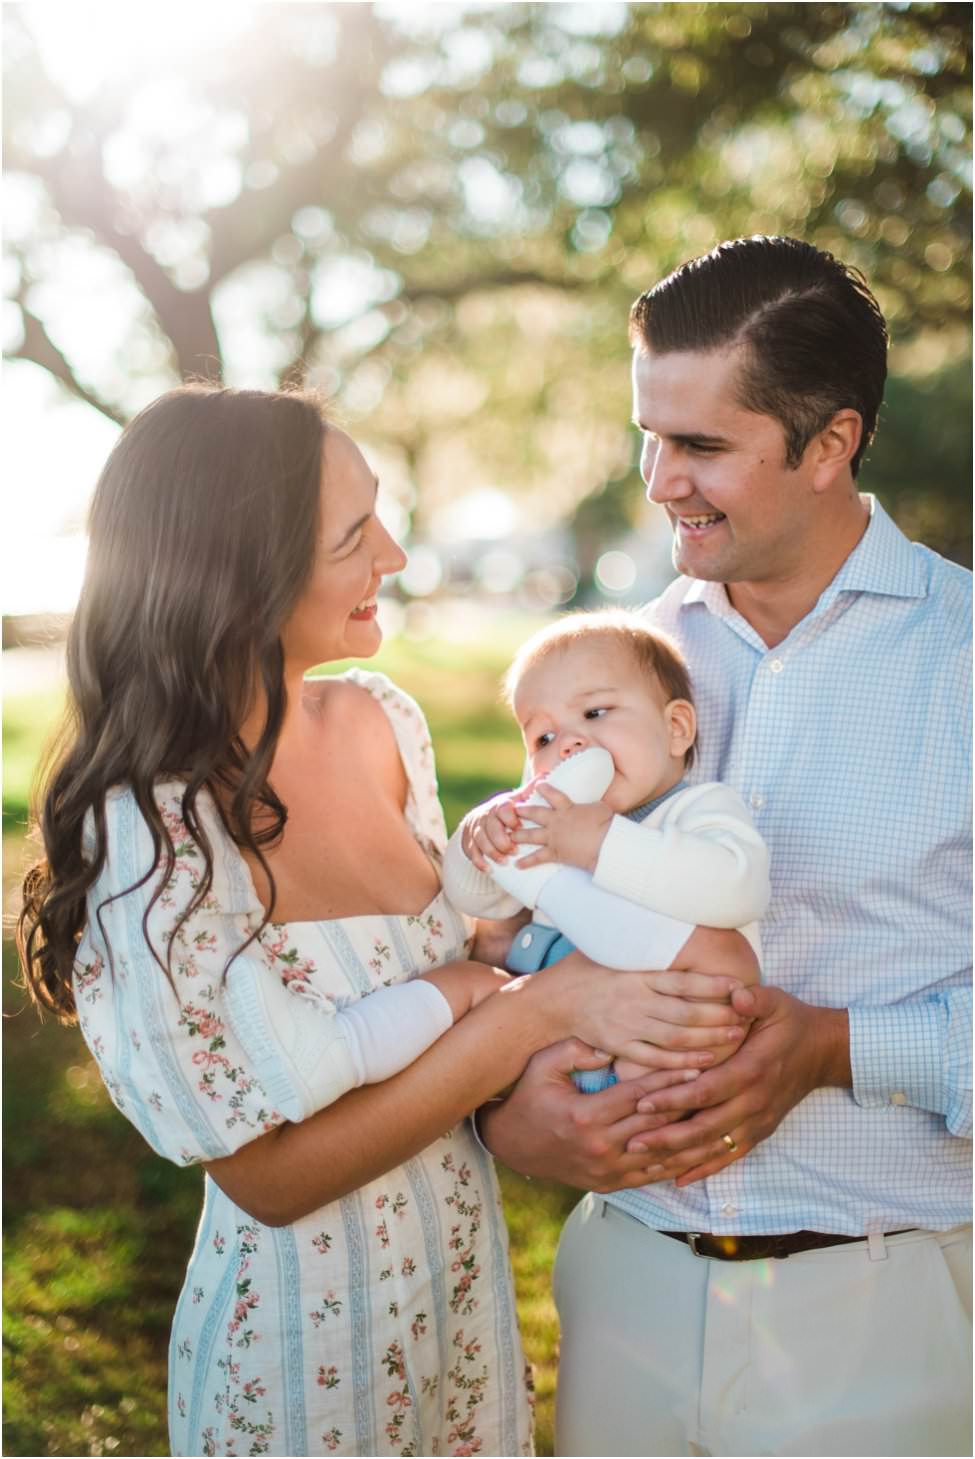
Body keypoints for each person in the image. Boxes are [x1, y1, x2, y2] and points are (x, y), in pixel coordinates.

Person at [17, 384, 751, 1458]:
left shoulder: (382, 720)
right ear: (240, 575)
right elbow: (269, 1179)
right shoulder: (154, 834)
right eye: (356, 534)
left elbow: (466, 964)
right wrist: (526, 1015)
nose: (397, 556)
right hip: (300, 1369)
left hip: (462, 1317)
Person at [478, 236, 972, 1457]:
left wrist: (836, 1047)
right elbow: (517, 928)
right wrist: (507, 1110)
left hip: (891, 1305)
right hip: (623, 1292)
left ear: (830, 444)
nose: (659, 480)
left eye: (702, 446)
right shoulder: (605, 666)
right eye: (650, 434)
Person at [441, 610, 769, 1089]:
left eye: (595, 713)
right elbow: (478, 899)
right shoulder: (556, 825)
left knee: (666, 1080)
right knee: (454, 987)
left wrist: (601, 845)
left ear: (676, 728)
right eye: (544, 738)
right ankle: (350, 1055)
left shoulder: (699, 809)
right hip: (556, 1023)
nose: (569, 745)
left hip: (659, 1040)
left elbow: (738, 890)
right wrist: (480, 837)